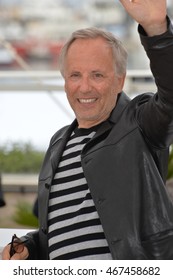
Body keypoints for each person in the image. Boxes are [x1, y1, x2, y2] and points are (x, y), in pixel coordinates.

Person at [2, 0, 173, 260]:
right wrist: (30, 246)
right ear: (64, 82)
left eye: (97, 75)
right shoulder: (58, 143)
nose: (84, 88)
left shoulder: (139, 123)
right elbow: (59, 233)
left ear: (120, 80)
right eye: (75, 75)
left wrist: (156, 29)